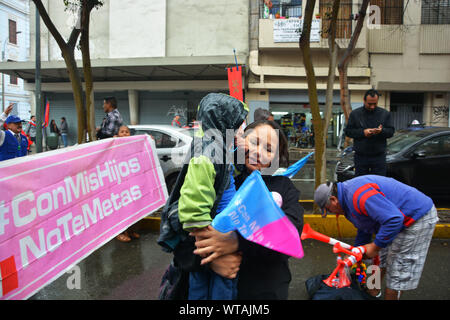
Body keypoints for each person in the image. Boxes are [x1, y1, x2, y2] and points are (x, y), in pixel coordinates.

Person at [190, 120, 304, 300]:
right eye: (254, 142)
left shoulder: (284, 187)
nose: (259, 152)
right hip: (221, 290)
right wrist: (212, 263)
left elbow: (290, 235)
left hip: (267, 290)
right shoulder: (222, 183)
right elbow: (189, 238)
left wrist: (236, 242)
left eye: (268, 149)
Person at [158, 93, 248, 300]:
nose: (240, 130)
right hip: (211, 233)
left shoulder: (220, 149)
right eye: (238, 124)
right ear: (222, 121)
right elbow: (192, 205)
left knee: (214, 283)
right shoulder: (207, 155)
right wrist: (206, 242)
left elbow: (228, 176)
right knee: (211, 285)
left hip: (217, 230)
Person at [313, 175, 439, 300]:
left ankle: (391, 296)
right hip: (393, 219)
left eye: (329, 210)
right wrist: (357, 252)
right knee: (379, 259)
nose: (333, 213)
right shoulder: (346, 201)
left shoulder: (359, 195)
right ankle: (373, 292)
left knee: (397, 271)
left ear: (334, 199)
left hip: (416, 217)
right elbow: (364, 226)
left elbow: (394, 219)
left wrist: (375, 246)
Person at [344, 89, 394, 177]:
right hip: (361, 156)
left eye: (375, 104)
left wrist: (381, 131)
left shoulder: (385, 114)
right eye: (369, 104)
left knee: (379, 182)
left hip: (379, 156)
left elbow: (391, 132)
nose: (372, 107)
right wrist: (363, 132)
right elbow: (348, 132)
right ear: (364, 101)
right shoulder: (355, 114)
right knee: (361, 183)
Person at [114, 125, 141, 242]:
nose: (124, 134)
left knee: (132, 207)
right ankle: (119, 233)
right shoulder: (113, 146)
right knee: (121, 208)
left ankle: (130, 230)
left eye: (127, 132)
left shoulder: (133, 146)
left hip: (131, 182)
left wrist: (148, 139)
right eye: (122, 132)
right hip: (119, 183)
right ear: (118, 134)